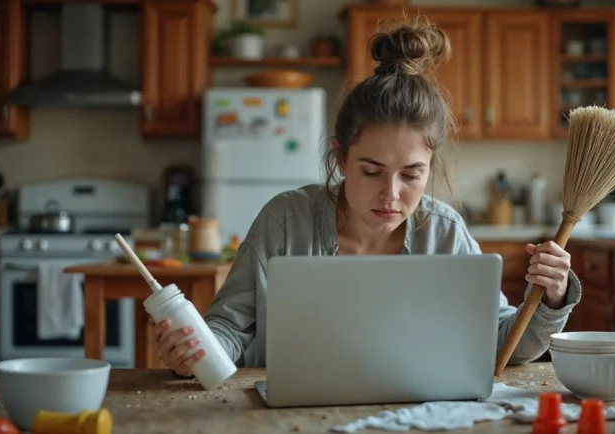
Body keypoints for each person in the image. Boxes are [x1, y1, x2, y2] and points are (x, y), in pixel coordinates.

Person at [152, 16, 582, 377]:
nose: (391, 195)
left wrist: (551, 298)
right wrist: (195, 353)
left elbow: (503, 342)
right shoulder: (285, 221)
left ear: (430, 167)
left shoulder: (446, 234)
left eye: (412, 175)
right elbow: (230, 328)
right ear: (341, 157)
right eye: (371, 171)